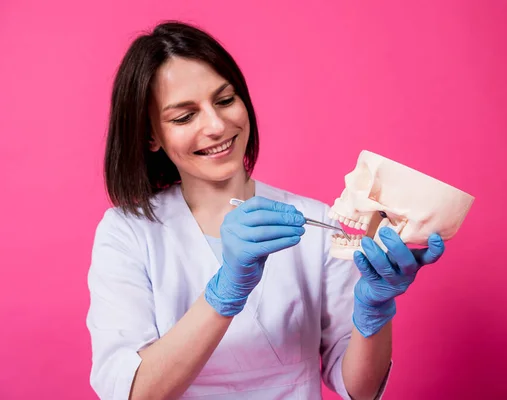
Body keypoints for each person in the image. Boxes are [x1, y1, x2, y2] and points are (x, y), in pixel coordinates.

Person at [86, 21, 446, 400]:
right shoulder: (128, 233)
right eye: (184, 116)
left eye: (225, 100)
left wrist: (374, 310)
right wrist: (224, 293)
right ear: (150, 136)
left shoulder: (317, 222)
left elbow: (360, 388)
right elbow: (131, 392)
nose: (216, 125)